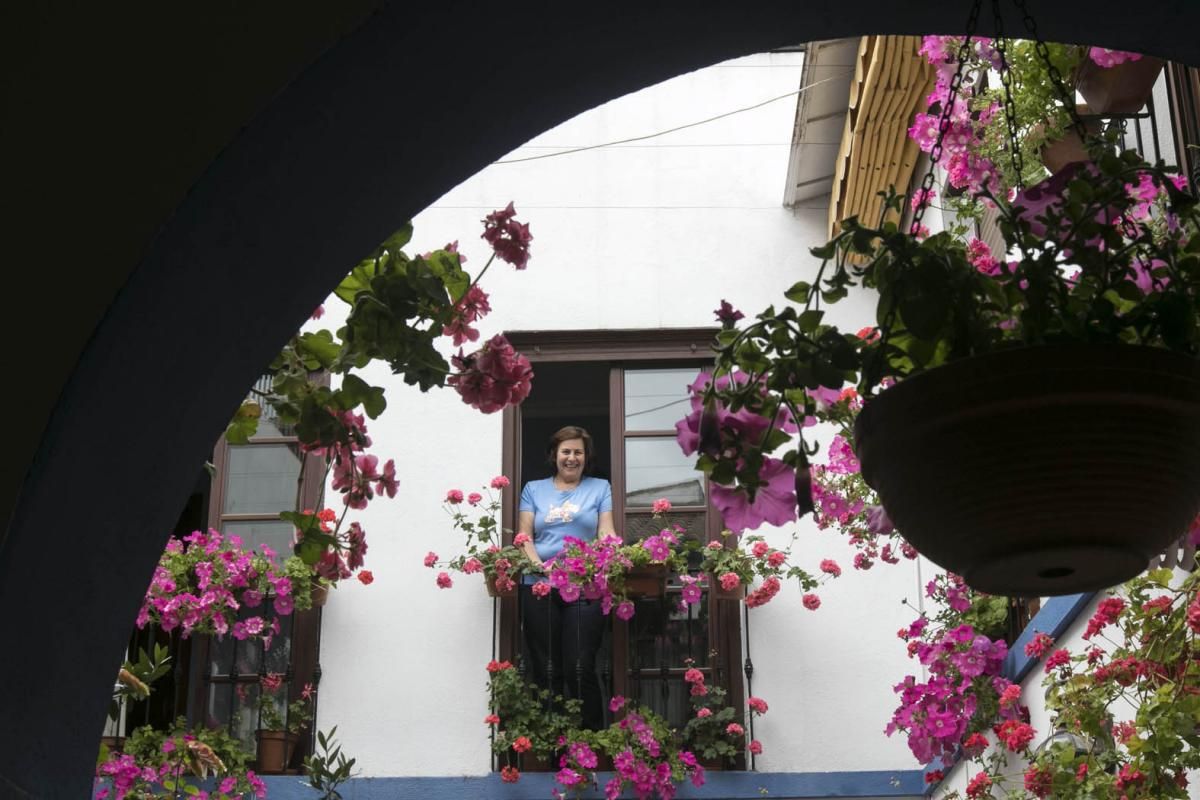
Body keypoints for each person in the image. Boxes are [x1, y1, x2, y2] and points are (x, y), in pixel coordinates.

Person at [518, 425, 614, 730]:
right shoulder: (533, 489)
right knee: (547, 668)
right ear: (554, 455)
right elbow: (524, 536)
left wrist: (604, 558)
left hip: (585, 585)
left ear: (586, 457)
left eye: (578, 452)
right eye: (566, 452)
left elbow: (605, 531)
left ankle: (592, 741)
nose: (572, 458)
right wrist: (539, 568)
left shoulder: (600, 488)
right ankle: (551, 745)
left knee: (580, 666)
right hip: (540, 586)